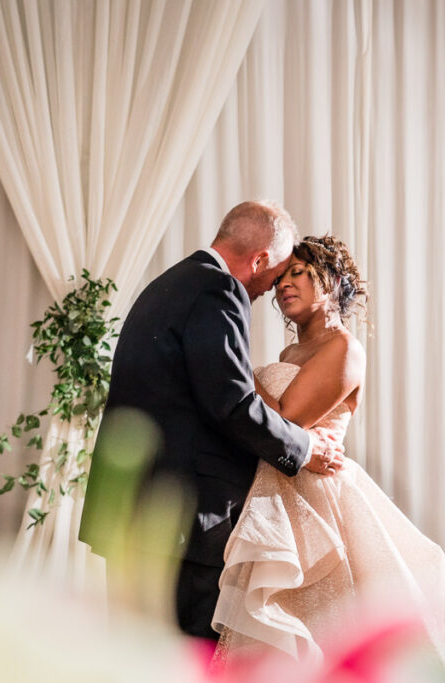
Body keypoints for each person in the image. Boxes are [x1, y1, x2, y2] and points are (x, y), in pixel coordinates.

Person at [212, 236, 445, 679]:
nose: (284, 285)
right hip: (279, 494)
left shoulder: (344, 348)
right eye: (280, 279)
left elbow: (289, 420)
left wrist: (235, 371)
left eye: (298, 272)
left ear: (331, 282)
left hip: (321, 502)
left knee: (328, 631)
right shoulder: (289, 354)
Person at [79, 201, 345, 640]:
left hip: (131, 510)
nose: (271, 288)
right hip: (181, 518)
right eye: (275, 274)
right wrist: (305, 447)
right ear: (258, 259)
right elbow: (231, 404)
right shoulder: (217, 290)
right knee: (185, 660)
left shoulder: (167, 286)